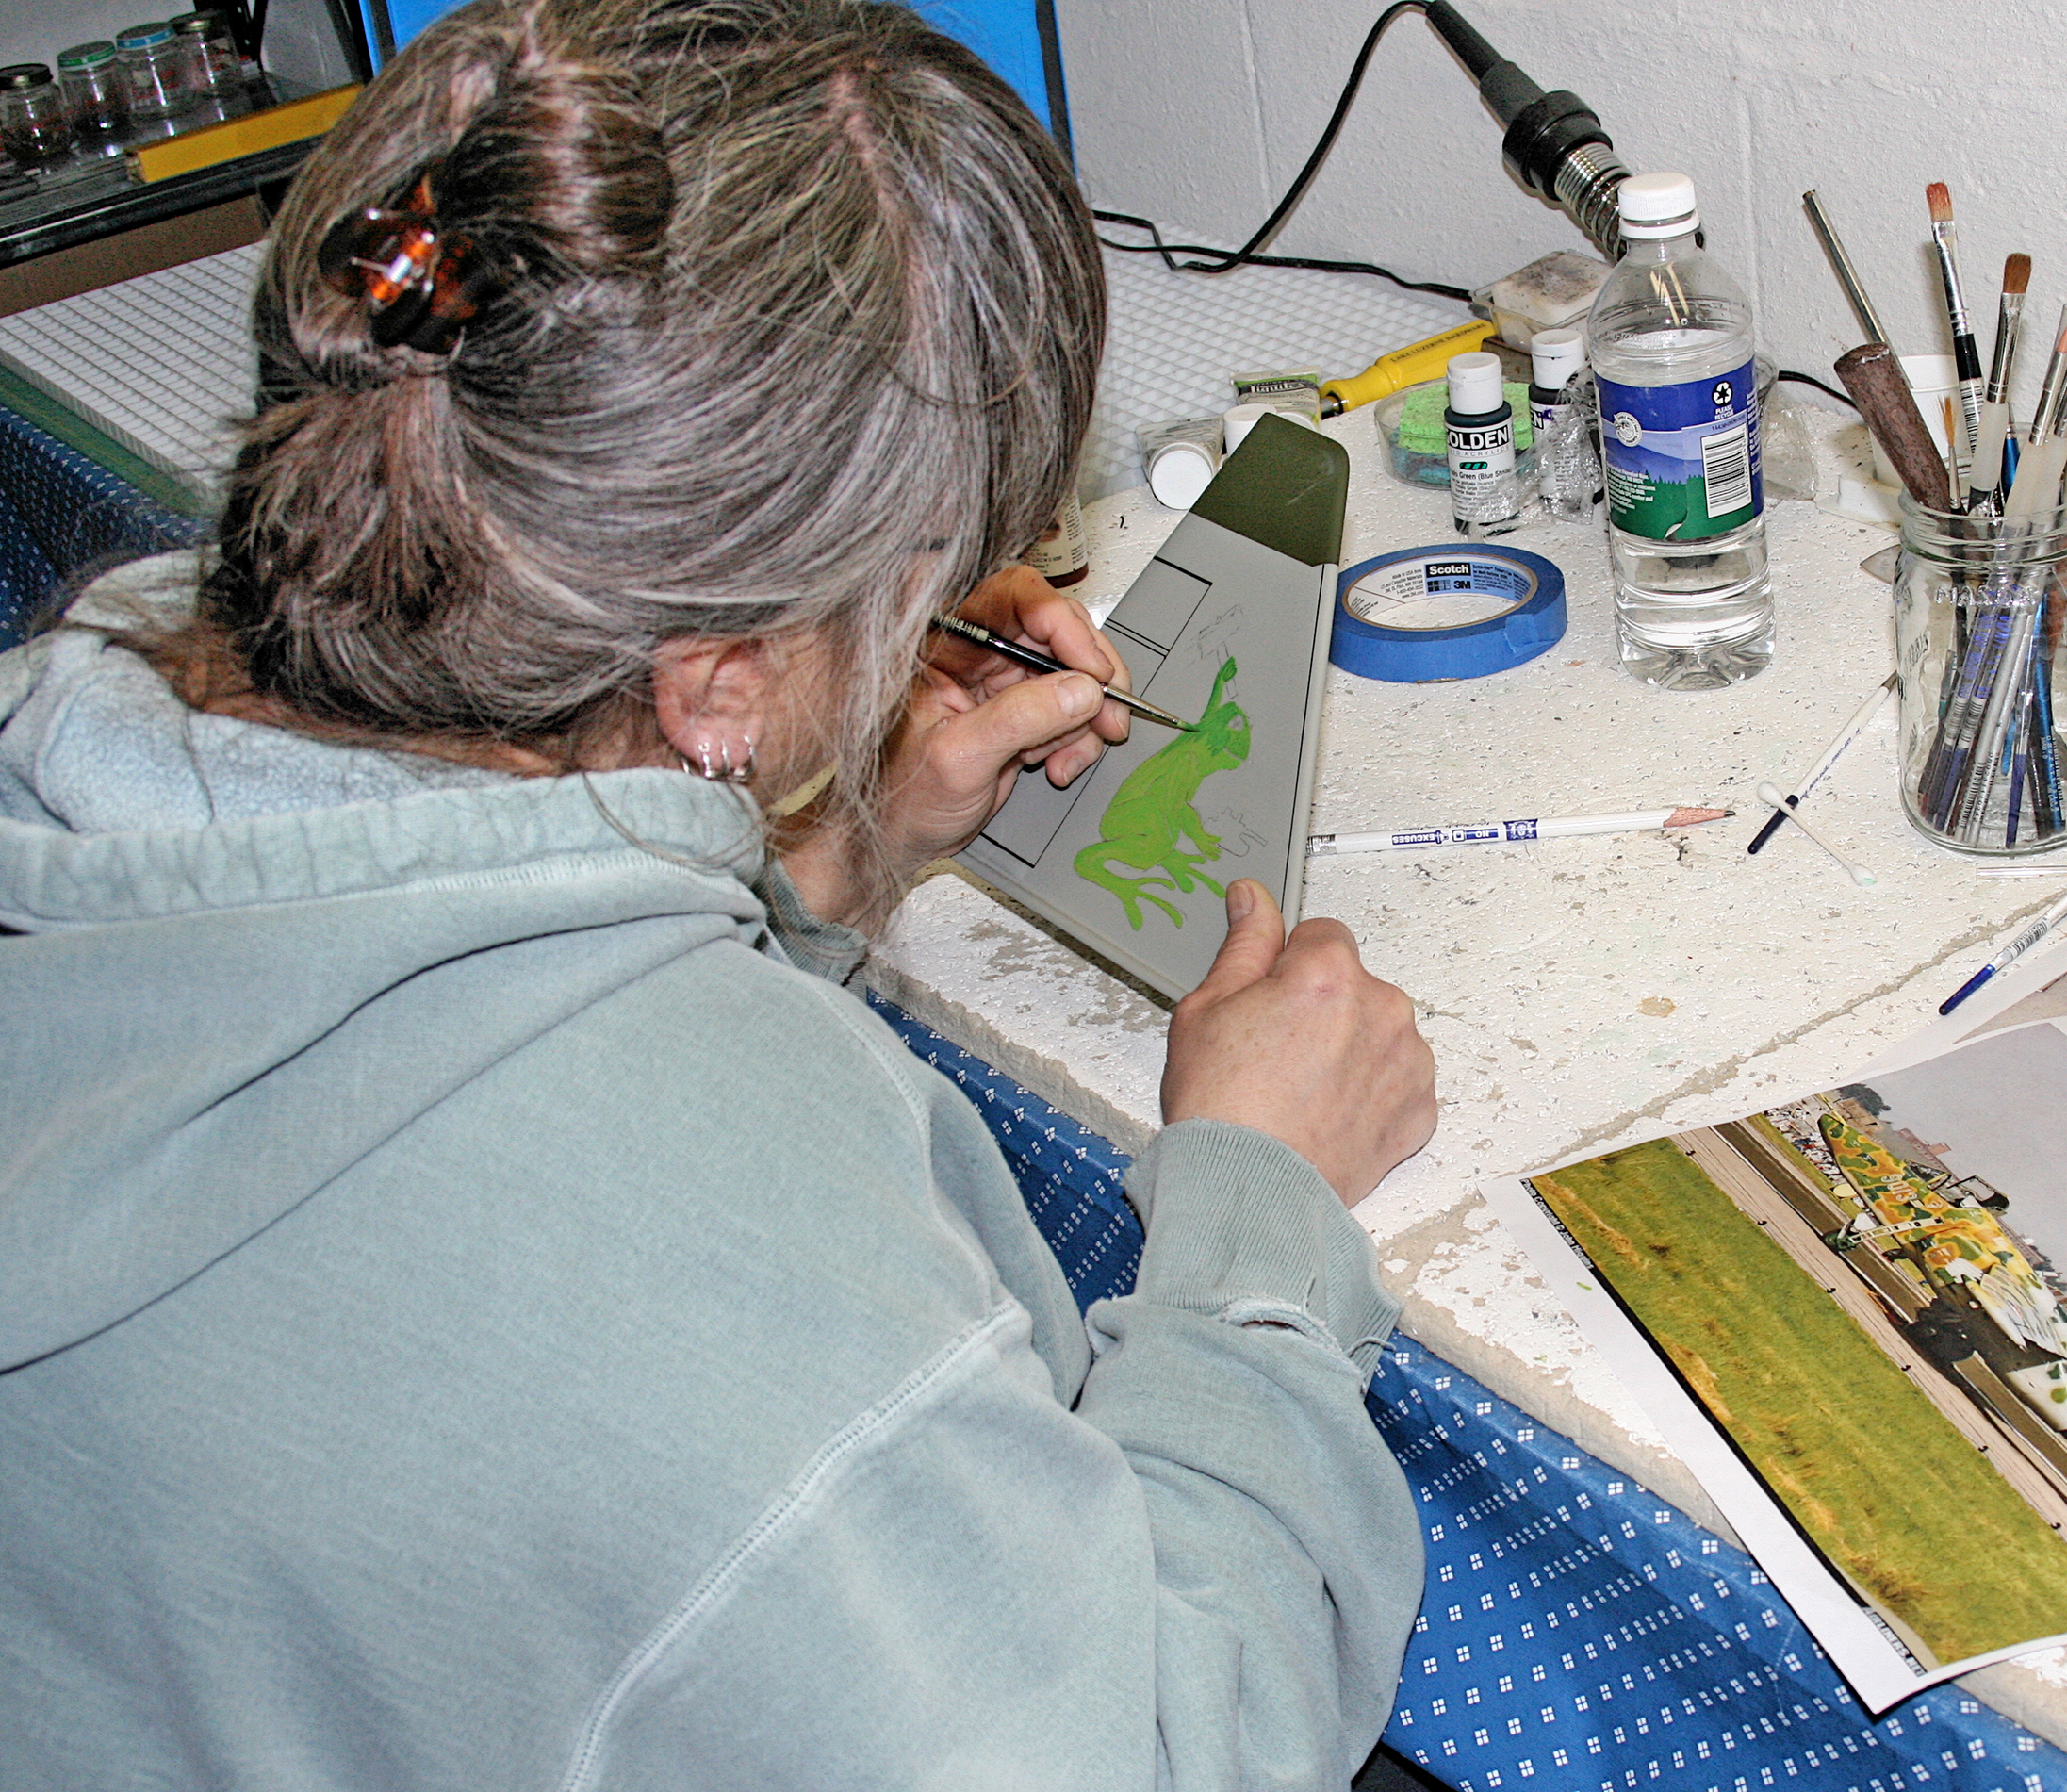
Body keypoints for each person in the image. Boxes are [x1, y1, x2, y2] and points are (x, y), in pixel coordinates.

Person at [0, 1, 1437, 1786]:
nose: (936, 634)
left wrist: (826, 858)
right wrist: (1263, 1232)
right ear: (720, 688)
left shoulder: (77, 724)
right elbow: (1153, 1742)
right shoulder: (741, 1276)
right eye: (914, 597)